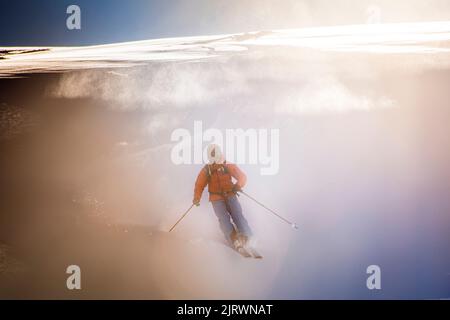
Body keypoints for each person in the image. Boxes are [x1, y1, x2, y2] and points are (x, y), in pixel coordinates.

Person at [193, 144, 252, 250]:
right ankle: (234, 241)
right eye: (211, 156)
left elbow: (242, 177)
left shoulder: (227, 164)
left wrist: (238, 185)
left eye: (215, 155)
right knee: (224, 220)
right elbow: (199, 184)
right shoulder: (207, 169)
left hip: (230, 195)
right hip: (216, 199)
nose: (214, 159)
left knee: (237, 215)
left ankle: (248, 237)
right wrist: (197, 197)